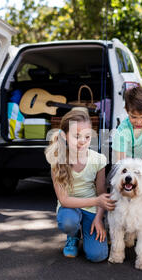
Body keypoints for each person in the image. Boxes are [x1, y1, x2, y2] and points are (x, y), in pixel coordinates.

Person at [45, 109, 115, 262]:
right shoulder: (57, 160)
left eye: (87, 136)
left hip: (92, 210)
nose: (83, 140)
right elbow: (64, 200)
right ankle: (73, 235)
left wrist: (98, 219)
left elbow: (101, 194)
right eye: (77, 136)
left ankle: (89, 229)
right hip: (69, 208)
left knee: (98, 256)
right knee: (69, 222)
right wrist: (96, 201)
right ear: (64, 136)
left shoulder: (98, 159)